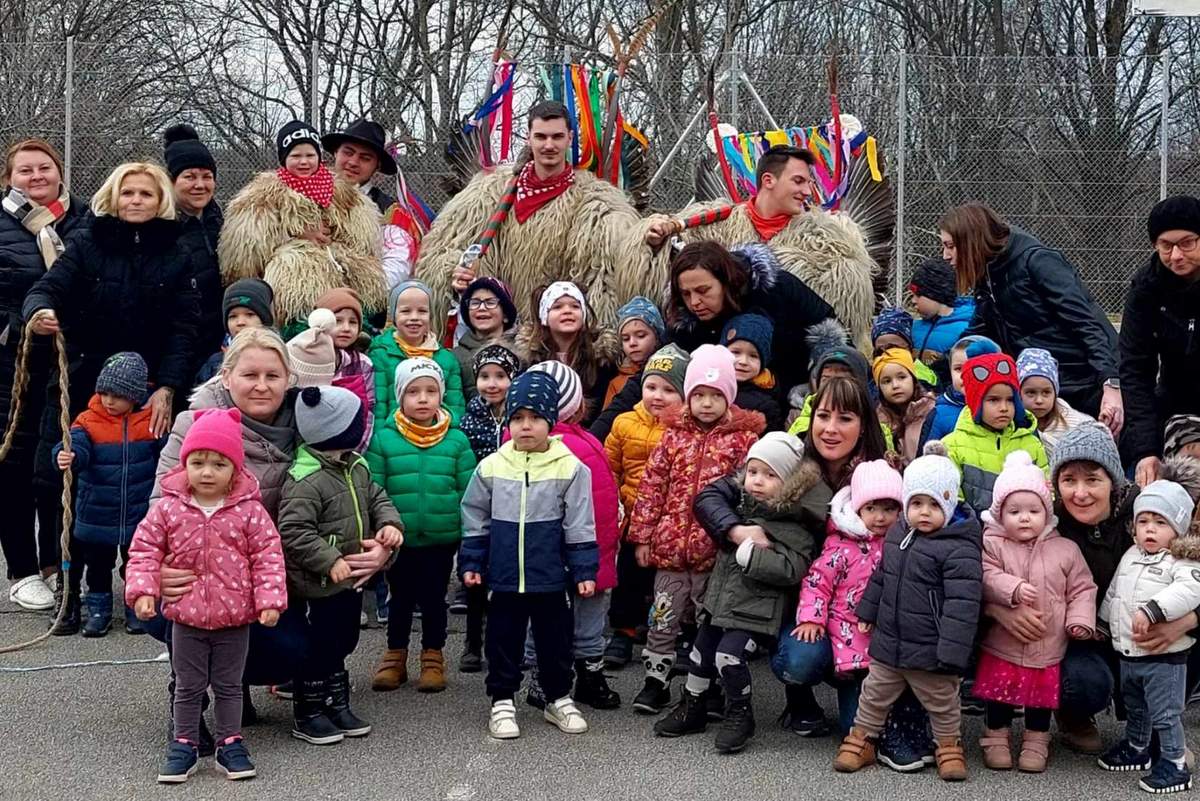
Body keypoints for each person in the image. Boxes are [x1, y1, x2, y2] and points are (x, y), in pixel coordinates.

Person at [24, 161, 201, 631]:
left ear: (159, 198)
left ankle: (142, 587)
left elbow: (186, 327)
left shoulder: (178, 252)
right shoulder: (87, 242)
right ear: (114, 198)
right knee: (63, 482)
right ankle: (73, 588)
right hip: (84, 384)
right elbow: (48, 287)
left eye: (145, 193)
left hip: (149, 392)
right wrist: (39, 310)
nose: (136, 201)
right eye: (129, 194)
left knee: (145, 487)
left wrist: (168, 387)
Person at [126, 407, 288, 784]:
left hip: (235, 620)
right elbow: (144, 549)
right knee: (188, 685)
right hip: (186, 618)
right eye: (198, 462)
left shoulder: (249, 511)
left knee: (231, 685)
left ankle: (230, 742)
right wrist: (144, 590)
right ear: (185, 466)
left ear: (235, 468)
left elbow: (267, 555)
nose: (207, 472)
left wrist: (269, 600)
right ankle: (184, 743)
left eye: (218, 463)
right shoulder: (168, 508)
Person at [656, 432, 827, 753]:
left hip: (756, 612)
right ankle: (693, 706)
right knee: (699, 654)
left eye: (770, 475)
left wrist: (753, 557)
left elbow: (793, 569)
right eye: (752, 472)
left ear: (790, 482)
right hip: (721, 604)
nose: (757, 481)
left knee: (728, 657)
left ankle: (740, 713)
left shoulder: (795, 524)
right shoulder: (743, 511)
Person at [422, 100, 664, 326]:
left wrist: (650, 241)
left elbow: (617, 272)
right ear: (528, 138)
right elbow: (441, 251)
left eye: (557, 137)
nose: (549, 145)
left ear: (570, 138)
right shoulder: (488, 193)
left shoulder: (597, 204)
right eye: (541, 137)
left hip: (557, 334)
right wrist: (457, 272)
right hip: (494, 330)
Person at [458, 370, 599, 739]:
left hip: (552, 576)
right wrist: (472, 561)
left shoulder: (570, 468)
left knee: (556, 641)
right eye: (518, 418)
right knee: (503, 639)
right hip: (504, 576)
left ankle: (557, 697)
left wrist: (584, 569)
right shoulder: (491, 466)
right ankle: (502, 699)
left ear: (551, 422)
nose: (526, 426)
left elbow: (581, 524)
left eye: (535, 418)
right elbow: (475, 516)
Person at [627, 345, 765, 714]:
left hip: (715, 554)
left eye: (715, 395)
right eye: (698, 395)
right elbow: (652, 487)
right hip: (671, 550)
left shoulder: (743, 441)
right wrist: (643, 535)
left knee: (709, 620)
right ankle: (655, 681)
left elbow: (749, 498)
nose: (706, 403)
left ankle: (709, 687)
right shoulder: (672, 436)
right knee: (663, 616)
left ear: (729, 397)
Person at [833, 447, 982, 783]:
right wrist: (868, 609)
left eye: (933, 505)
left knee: (942, 702)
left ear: (948, 504)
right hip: (890, 642)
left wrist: (953, 653)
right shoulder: (900, 534)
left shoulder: (959, 547)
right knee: (873, 695)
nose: (923, 513)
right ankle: (862, 740)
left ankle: (948, 746)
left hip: (931, 648)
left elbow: (964, 606)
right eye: (916, 504)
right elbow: (883, 575)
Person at [646, 144, 878, 345]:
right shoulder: (713, 228)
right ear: (769, 180)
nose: (807, 191)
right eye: (798, 181)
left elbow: (840, 321)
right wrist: (656, 244)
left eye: (809, 183)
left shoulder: (830, 243)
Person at [278, 386, 403, 744]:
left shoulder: (355, 465)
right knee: (321, 642)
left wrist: (390, 524)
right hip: (319, 580)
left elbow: (377, 497)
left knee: (344, 638)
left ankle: (336, 700)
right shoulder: (305, 479)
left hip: (351, 577)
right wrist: (329, 559)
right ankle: (309, 709)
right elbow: (294, 531)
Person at [0, 137, 91, 613]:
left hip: (68, 362)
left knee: (58, 462)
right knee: (12, 466)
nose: (36, 177)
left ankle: (58, 564)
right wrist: (20, 323)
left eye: (44, 168)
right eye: (25, 171)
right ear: (9, 178)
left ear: (59, 171)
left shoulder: (84, 222)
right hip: (9, 365)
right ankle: (22, 568)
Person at [940, 203, 1122, 428]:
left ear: (970, 242)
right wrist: (926, 377)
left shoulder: (1037, 262)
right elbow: (976, 334)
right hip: (1042, 393)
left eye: (950, 246)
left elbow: (1087, 324)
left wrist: (1111, 383)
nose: (946, 256)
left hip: (1085, 388)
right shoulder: (988, 277)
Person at [975, 452, 1097, 773]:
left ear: (1047, 513)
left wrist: (1080, 620)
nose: (1024, 518)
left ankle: (1037, 739)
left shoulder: (1065, 549)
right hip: (1003, 641)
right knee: (998, 695)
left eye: (1033, 511)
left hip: (1048, 644)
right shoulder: (993, 544)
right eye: (1014, 512)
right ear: (1000, 514)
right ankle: (996, 736)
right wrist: (1010, 588)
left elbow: (1082, 588)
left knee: (1040, 698)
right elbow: (985, 575)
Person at [367, 357, 475, 694]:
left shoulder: (456, 440)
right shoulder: (384, 439)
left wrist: (464, 529)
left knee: (433, 598)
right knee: (399, 599)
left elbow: (468, 490)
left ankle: (432, 656)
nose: (423, 398)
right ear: (400, 396)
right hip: (399, 538)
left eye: (431, 391)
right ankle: (395, 655)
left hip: (442, 538)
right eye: (414, 392)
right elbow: (375, 487)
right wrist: (380, 529)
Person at [517, 362, 621, 711]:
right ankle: (553, 677)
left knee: (570, 616)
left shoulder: (579, 438)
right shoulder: (556, 445)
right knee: (565, 617)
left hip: (585, 548)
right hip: (573, 550)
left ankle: (585, 674)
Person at [219, 120, 385, 331]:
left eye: (310, 155)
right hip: (288, 295)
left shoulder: (347, 195)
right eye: (296, 156)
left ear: (320, 157)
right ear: (283, 159)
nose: (304, 162)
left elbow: (364, 245)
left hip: (338, 294)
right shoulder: (263, 196)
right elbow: (243, 253)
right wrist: (293, 234)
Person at [780, 459, 902, 737]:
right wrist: (812, 619)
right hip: (849, 641)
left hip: (888, 640)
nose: (880, 517)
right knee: (855, 727)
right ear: (858, 508)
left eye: (889, 509)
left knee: (884, 705)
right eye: (871, 508)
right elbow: (817, 583)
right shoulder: (841, 546)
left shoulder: (900, 544)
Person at [1098, 480, 1200, 794]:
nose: (1150, 529)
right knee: (1136, 705)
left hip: (1165, 658)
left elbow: (1190, 591)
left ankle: (1174, 764)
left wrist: (1155, 610)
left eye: (1160, 522)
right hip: (1129, 653)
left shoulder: (1182, 560)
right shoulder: (1131, 555)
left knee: (1165, 713)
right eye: (1144, 521)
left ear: (1179, 528)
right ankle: (1137, 747)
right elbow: (1116, 591)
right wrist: (1104, 622)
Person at [51, 352, 163, 637]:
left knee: (135, 562)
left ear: (136, 396)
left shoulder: (149, 423)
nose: (109, 401)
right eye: (104, 393)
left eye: (118, 395)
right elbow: (75, 445)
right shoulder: (87, 421)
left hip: (137, 511)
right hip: (97, 511)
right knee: (98, 565)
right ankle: (98, 608)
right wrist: (68, 456)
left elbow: (163, 456)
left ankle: (134, 605)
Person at [602, 344, 689, 668]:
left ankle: (673, 632)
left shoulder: (685, 429)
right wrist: (617, 502)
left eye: (669, 389)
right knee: (628, 577)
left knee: (670, 582)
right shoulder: (625, 422)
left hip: (671, 522)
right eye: (652, 386)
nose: (657, 395)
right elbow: (611, 466)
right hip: (632, 514)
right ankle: (623, 631)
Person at [666, 241, 835, 397]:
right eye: (685, 294)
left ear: (726, 281)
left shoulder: (779, 289)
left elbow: (830, 333)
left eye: (703, 290)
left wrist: (819, 387)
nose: (694, 302)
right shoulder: (684, 325)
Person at [1121, 196, 1200, 487]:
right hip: (1173, 404)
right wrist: (1146, 450)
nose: (1176, 255)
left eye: (1187, 243)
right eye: (1166, 246)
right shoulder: (1146, 289)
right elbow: (1134, 370)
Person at [456, 342, 521, 672]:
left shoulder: (521, 418)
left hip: (513, 506)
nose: (492, 383)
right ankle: (472, 641)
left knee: (508, 579)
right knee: (475, 577)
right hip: (481, 507)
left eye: (500, 375)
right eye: (484, 376)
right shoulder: (470, 419)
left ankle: (507, 642)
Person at [941, 349, 1047, 514]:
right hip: (972, 533)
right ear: (976, 402)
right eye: (993, 400)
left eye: (1010, 400)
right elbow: (950, 500)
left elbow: (1047, 494)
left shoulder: (1031, 444)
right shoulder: (952, 446)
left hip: (1025, 530)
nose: (1004, 408)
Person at [516, 281, 618, 425]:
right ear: (545, 316)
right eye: (557, 307)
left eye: (575, 306)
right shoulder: (531, 361)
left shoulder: (601, 360)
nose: (567, 311)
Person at [164, 124, 224, 361]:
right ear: (171, 181)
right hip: (177, 343)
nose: (200, 185)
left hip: (218, 340)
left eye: (207, 177)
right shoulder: (162, 226)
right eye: (189, 177)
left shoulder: (221, 222)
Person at [368, 279, 466, 424]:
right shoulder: (379, 355)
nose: (414, 317)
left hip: (438, 438)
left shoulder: (446, 359)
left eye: (422, 311)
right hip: (393, 438)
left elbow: (455, 409)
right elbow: (378, 407)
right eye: (406, 311)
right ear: (394, 315)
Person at [785, 320, 873, 437]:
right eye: (826, 379)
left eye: (842, 379)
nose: (833, 386)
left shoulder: (875, 423)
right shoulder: (798, 421)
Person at [316, 287, 375, 452]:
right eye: (338, 321)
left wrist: (356, 452)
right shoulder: (306, 360)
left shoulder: (364, 364)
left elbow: (368, 412)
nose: (346, 328)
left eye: (353, 322)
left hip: (351, 450)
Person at [919, 336, 997, 448]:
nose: (965, 375)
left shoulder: (1005, 407)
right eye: (958, 369)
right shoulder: (939, 413)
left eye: (975, 367)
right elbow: (927, 460)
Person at [1017, 347, 1092, 460]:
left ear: (1055, 393)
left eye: (1046, 392)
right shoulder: (1011, 427)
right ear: (1019, 394)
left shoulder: (1078, 426)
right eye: (1031, 393)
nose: (1039, 400)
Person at [195, 279, 274, 386]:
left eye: (250, 314)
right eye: (233, 316)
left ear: (264, 320)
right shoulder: (215, 364)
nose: (240, 322)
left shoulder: (278, 357)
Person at [909, 257, 974, 386]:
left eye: (918, 295)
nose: (913, 301)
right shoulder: (914, 327)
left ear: (935, 295)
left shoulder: (966, 329)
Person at [453, 276, 518, 400]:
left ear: (505, 315)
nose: (482, 308)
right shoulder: (457, 357)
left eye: (490, 302)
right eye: (475, 303)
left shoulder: (522, 352)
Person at [720, 312, 784, 431]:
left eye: (753, 356)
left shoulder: (767, 404)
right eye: (736, 352)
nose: (743, 361)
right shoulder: (708, 385)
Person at [323, 118, 398, 215]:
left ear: (378, 165)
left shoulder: (388, 210)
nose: (353, 162)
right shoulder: (308, 194)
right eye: (348, 153)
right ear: (336, 152)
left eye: (365, 158)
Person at [872, 348, 934, 464]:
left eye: (902, 377)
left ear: (913, 379)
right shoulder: (878, 421)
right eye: (887, 381)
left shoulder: (931, 411)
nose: (895, 385)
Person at [606, 296, 665, 408]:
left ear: (657, 337)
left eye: (640, 335)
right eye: (625, 338)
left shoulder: (670, 375)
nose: (632, 343)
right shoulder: (616, 384)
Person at [870, 305, 938, 387]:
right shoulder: (870, 380)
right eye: (880, 351)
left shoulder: (925, 378)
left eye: (895, 349)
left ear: (910, 349)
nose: (889, 355)